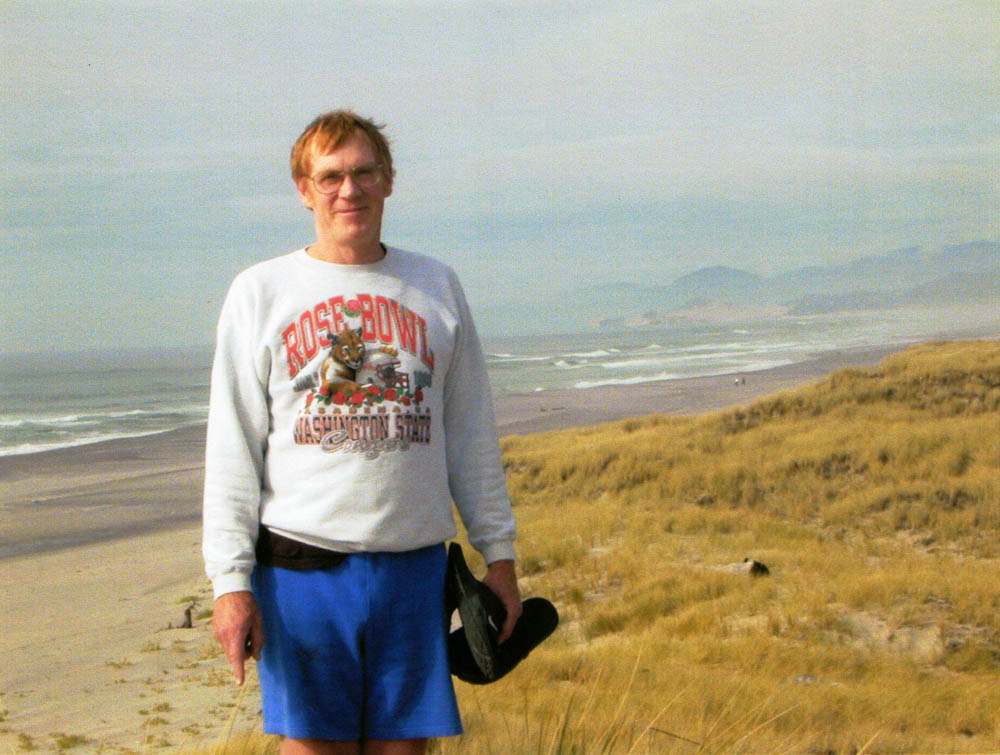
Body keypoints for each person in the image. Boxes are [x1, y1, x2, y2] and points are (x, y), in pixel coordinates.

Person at [203, 110, 521, 755]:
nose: (348, 190)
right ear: (304, 189)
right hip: (303, 572)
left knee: (404, 751)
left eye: (363, 173)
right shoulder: (260, 291)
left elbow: (469, 434)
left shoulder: (435, 286)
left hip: (415, 569)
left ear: (389, 181)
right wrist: (231, 585)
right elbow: (232, 447)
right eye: (330, 177)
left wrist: (501, 557)